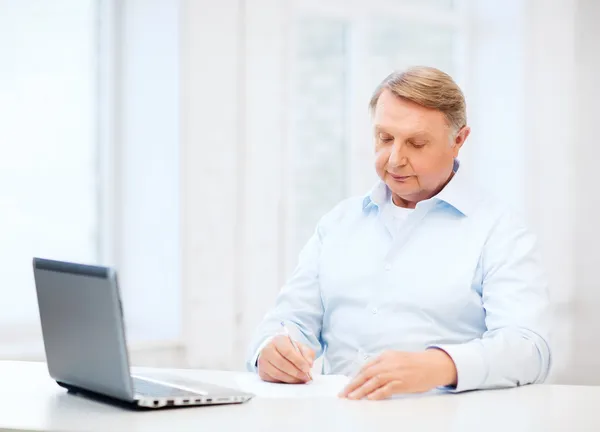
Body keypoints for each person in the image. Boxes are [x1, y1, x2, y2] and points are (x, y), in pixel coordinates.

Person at [245, 66, 551, 400]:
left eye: (417, 143)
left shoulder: (499, 231)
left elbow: (528, 348)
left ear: (458, 140)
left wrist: (439, 366)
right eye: (385, 138)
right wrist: (271, 351)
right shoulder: (338, 224)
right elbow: (290, 321)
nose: (394, 159)